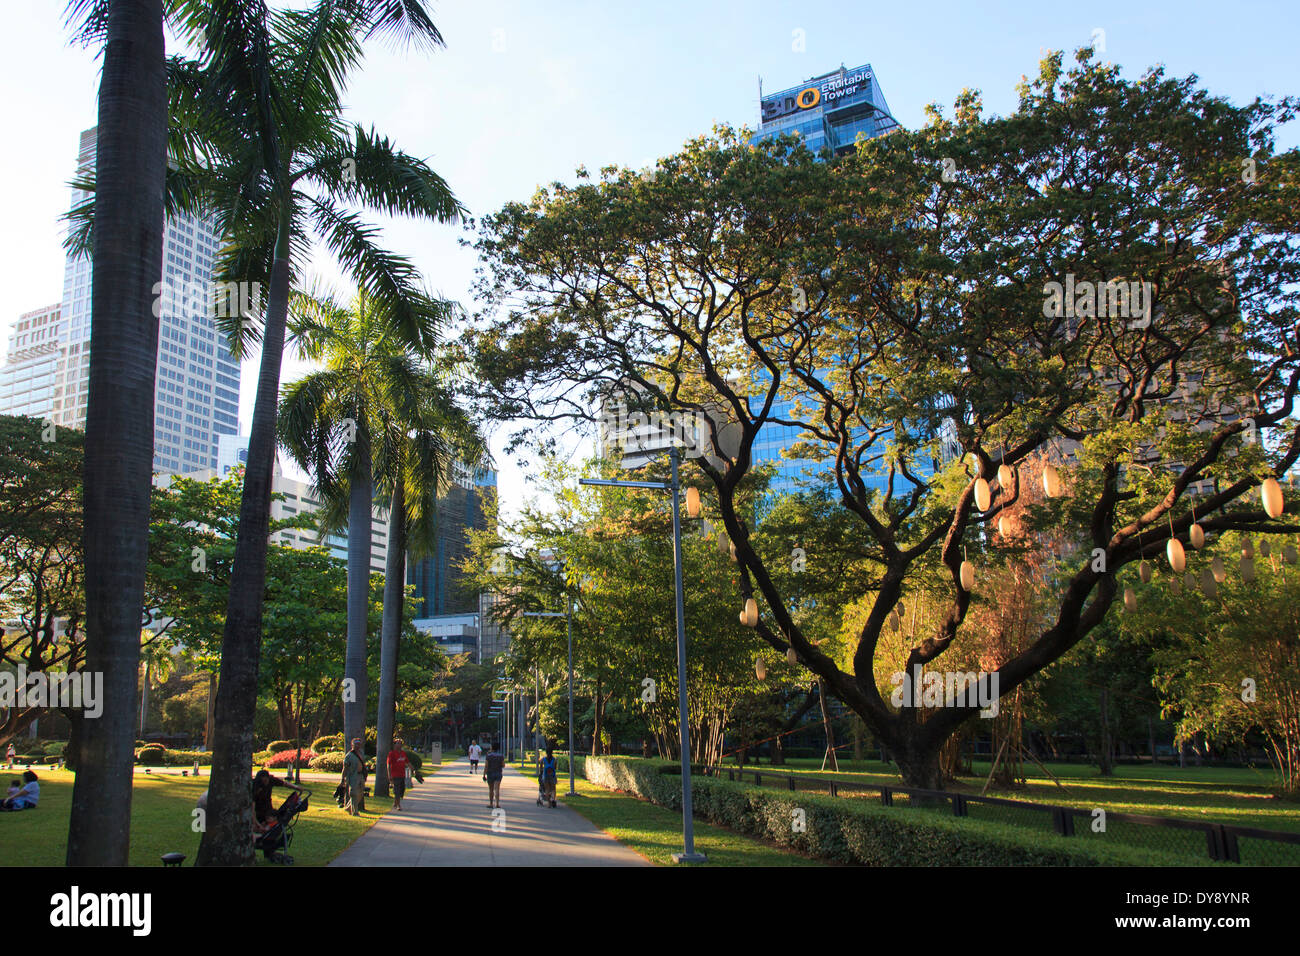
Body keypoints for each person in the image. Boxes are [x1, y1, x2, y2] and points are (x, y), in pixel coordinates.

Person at [342, 737, 367, 816]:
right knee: (354, 793)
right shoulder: (349, 755)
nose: (357, 746)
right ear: (352, 745)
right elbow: (345, 768)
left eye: (359, 744)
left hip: (361, 776)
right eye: (356, 744)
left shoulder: (361, 753)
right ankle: (355, 811)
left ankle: (348, 807)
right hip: (353, 776)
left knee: (360, 794)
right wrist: (343, 778)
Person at [386, 738, 410, 810]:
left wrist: (414, 770)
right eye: (398, 743)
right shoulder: (391, 753)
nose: (399, 745)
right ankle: (398, 805)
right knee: (397, 791)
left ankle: (395, 803)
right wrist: (389, 775)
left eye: (400, 743)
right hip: (395, 775)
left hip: (402, 775)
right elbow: (388, 765)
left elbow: (408, 762)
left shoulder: (403, 753)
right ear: (394, 744)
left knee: (402, 790)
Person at [483, 740, 504, 809]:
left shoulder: (488, 756)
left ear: (492, 748)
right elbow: (503, 765)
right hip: (498, 773)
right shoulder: (501, 756)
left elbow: (486, 766)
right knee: (497, 789)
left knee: (491, 789)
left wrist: (484, 775)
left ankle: (491, 804)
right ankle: (497, 804)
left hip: (490, 773)